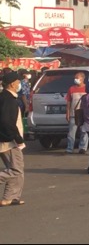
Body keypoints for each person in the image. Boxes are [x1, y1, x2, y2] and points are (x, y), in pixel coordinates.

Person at [0, 72, 25, 206]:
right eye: (17, 82)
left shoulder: (7, 97)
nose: (19, 84)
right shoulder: (8, 99)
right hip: (9, 141)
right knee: (16, 169)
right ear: (12, 84)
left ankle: (10, 197)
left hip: (8, 139)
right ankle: (10, 196)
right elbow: (6, 121)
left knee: (16, 169)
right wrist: (17, 138)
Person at [64, 71, 88, 154]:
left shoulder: (87, 88)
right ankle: (69, 148)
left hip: (84, 114)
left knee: (84, 132)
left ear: (82, 79)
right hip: (73, 114)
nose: (75, 79)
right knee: (71, 133)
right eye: (75, 78)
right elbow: (68, 102)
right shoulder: (71, 89)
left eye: (77, 78)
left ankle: (83, 148)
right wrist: (67, 113)